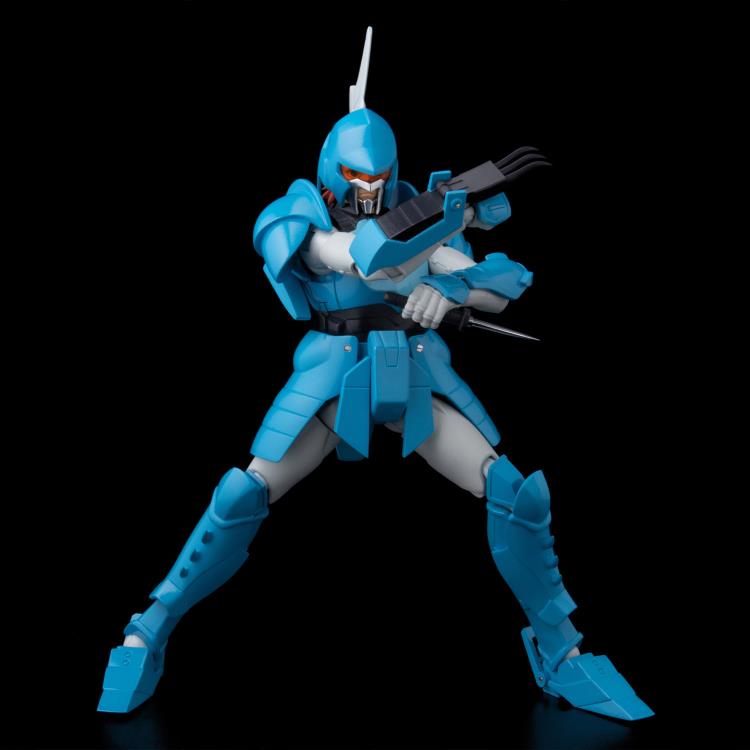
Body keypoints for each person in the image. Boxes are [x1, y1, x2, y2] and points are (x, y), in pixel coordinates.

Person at [99, 27, 652, 721]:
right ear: (332, 170)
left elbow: (506, 283)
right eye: (357, 179)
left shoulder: (419, 215)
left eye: (379, 180)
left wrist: (450, 286)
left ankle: (562, 653)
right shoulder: (299, 217)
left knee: (517, 494)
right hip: (332, 381)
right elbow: (344, 255)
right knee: (241, 495)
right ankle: (145, 632)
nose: (369, 191)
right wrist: (421, 247)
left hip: (414, 372)